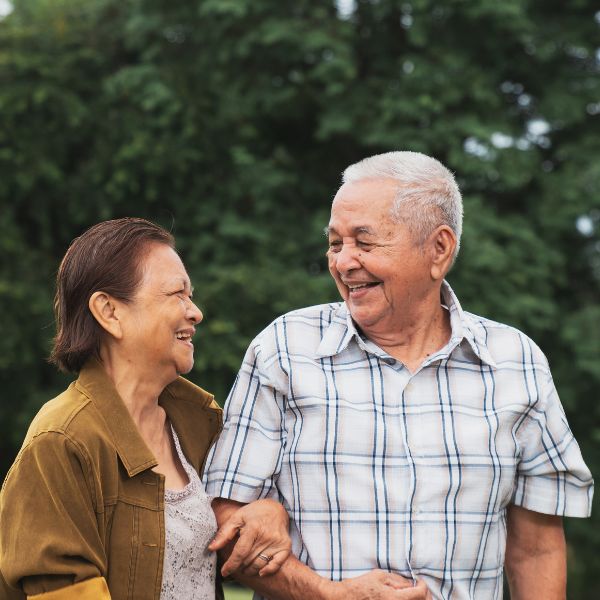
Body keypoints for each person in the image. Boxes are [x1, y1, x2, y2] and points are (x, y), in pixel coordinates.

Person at [204, 151, 594, 600]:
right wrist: (329, 594)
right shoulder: (285, 350)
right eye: (335, 243)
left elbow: (536, 550)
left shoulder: (516, 362)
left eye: (364, 243)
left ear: (439, 248)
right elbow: (225, 522)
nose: (343, 262)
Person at [0, 218, 291, 600]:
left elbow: (229, 546)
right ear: (109, 312)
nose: (195, 312)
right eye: (177, 294)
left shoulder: (199, 422)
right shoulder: (61, 441)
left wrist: (269, 511)